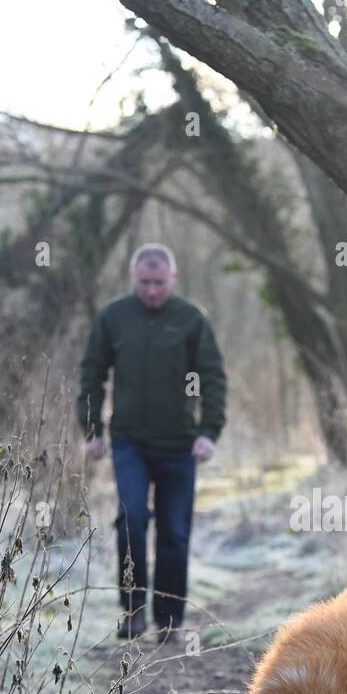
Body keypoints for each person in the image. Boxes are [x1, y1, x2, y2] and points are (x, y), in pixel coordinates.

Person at [78, 243, 226, 642]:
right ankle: (133, 611)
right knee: (132, 521)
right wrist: (92, 431)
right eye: (145, 282)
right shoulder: (113, 317)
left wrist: (209, 432)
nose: (152, 291)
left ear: (173, 279)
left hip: (180, 445)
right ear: (133, 277)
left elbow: (212, 377)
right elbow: (92, 374)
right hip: (130, 443)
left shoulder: (192, 320)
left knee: (175, 533)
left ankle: (170, 619)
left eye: (160, 283)